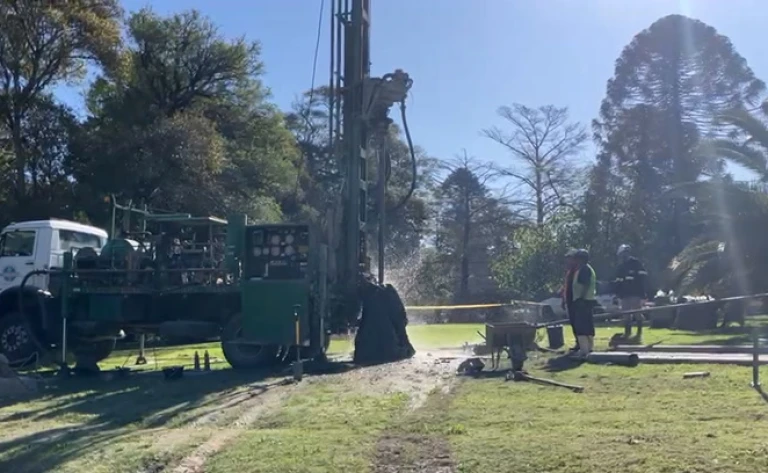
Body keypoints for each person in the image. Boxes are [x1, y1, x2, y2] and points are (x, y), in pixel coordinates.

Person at [614, 244, 650, 340]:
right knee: (626, 314)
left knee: (637, 312)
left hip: (635, 292)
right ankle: (627, 333)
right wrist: (618, 293)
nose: (623, 256)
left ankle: (638, 334)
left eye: (625, 253)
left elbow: (642, 276)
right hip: (624, 294)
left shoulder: (635, 263)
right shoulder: (621, 266)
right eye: (622, 254)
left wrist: (640, 290)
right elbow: (618, 281)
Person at [570, 249, 597, 358]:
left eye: (576, 258)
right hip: (587, 300)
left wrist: (581, 298)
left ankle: (584, 350)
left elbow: (585, 285)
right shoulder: (585, 269)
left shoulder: (584, 269)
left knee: (581, 326)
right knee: (588, 325)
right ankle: (589, 348)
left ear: (581, 259)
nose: (575, 260)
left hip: (583, 301)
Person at [561, 250, 579, 353]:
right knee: (572, 322)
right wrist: (563, 300)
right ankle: (577, 342)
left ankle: (580, 343)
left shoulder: (577, 270)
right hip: (569, 301)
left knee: (578, 323)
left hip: (575, 300)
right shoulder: (569, 272)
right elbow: (566, 287)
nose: (568, 261)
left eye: (570, 258)